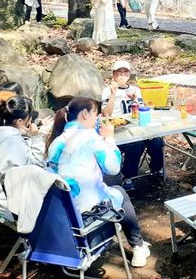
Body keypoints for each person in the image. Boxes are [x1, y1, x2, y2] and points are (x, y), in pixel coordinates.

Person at [46, 97, 152, 268]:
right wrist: (109, 139)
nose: (97, 119)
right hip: (89, 214)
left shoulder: (56, 142)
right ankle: (138, 246)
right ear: (85, 114)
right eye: (95, 114)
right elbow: (113, 168)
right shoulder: (90, 137)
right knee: (119, 191)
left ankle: (138, 245)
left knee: (111, 189)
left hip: (64, 212)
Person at [101, 60, 164, 192]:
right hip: (118, 129)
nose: (122, 74)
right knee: (136, 144)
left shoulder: (135, 89)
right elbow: (106, 114)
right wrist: (113, 94)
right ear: (114, 74)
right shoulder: (107, 90)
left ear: (129, 74)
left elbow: (143, 110)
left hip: (137, 126)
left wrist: (135, 100)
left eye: (125, 71)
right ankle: (127, 176)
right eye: (119, 72)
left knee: (157, 140)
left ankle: (156, 168)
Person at [0, 95, 45, 219]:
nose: (30, 121)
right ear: (20, 121)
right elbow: (38, 166)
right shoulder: (13, 142)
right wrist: (36, 137)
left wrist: (24, 135)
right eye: (29, 117)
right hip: (13, 207)